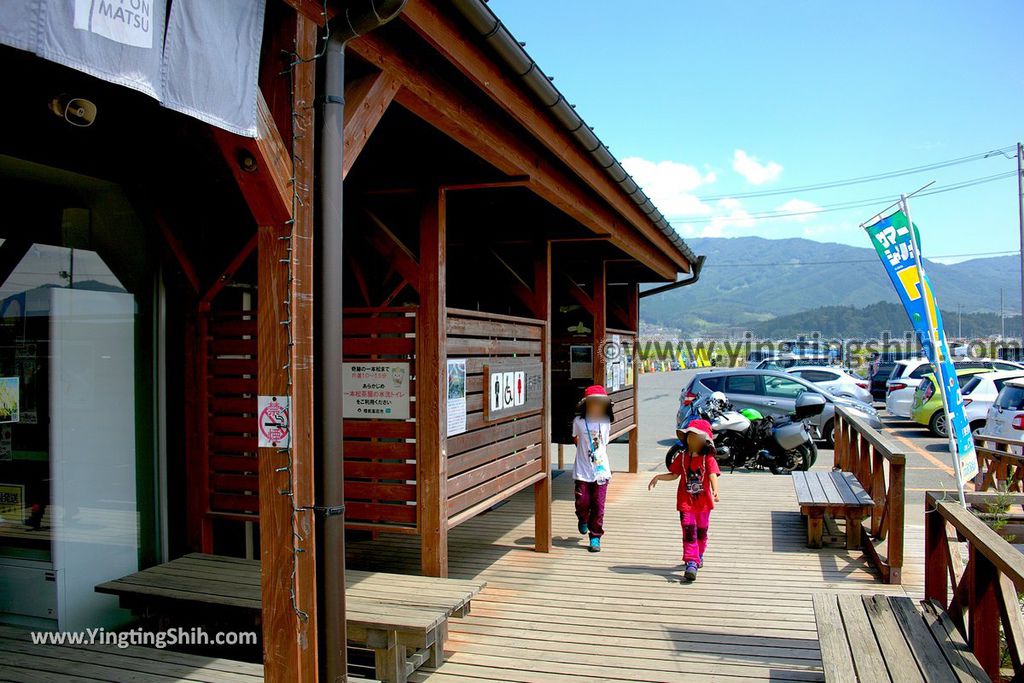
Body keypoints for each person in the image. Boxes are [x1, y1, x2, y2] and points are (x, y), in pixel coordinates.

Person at [648, 419, 720, 582]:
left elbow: (712, 475)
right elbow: (674, 475)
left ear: (705, 441)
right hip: (685, 503)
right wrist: (658, 477)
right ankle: (691, 562)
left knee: (701, 532)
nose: (692, 440)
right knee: (689, 533)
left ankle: (699, 554)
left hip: (703, 504)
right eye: (690, 437)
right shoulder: (682, 457)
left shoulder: (707, 459)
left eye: (696, 438)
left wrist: (715, 489)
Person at [572, 384, 613, 553]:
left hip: (601, 470)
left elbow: (605, 443)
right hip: (582, 469)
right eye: (593, 403)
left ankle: (595, 536)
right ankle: (582, 518)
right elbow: (575, 439)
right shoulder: (578, 422)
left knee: (598, 505)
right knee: (582, 502)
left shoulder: (605, 422)